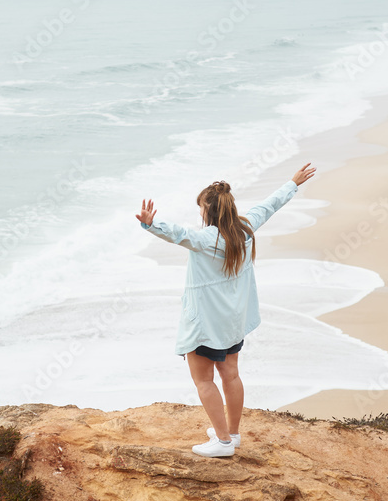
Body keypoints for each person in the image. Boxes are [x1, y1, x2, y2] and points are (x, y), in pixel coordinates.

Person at [135, 163, 316, 457]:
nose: (200, 214)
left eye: (202, 209)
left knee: (203, 381)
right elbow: (269, 206)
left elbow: (178, 234)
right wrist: (292, 183)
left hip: (206, 325)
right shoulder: (244, 229)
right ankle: (232, 433)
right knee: (230, 374)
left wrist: (149, 224)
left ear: (210, 212)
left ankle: (222, 442)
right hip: (233, 322)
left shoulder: (207, 239)